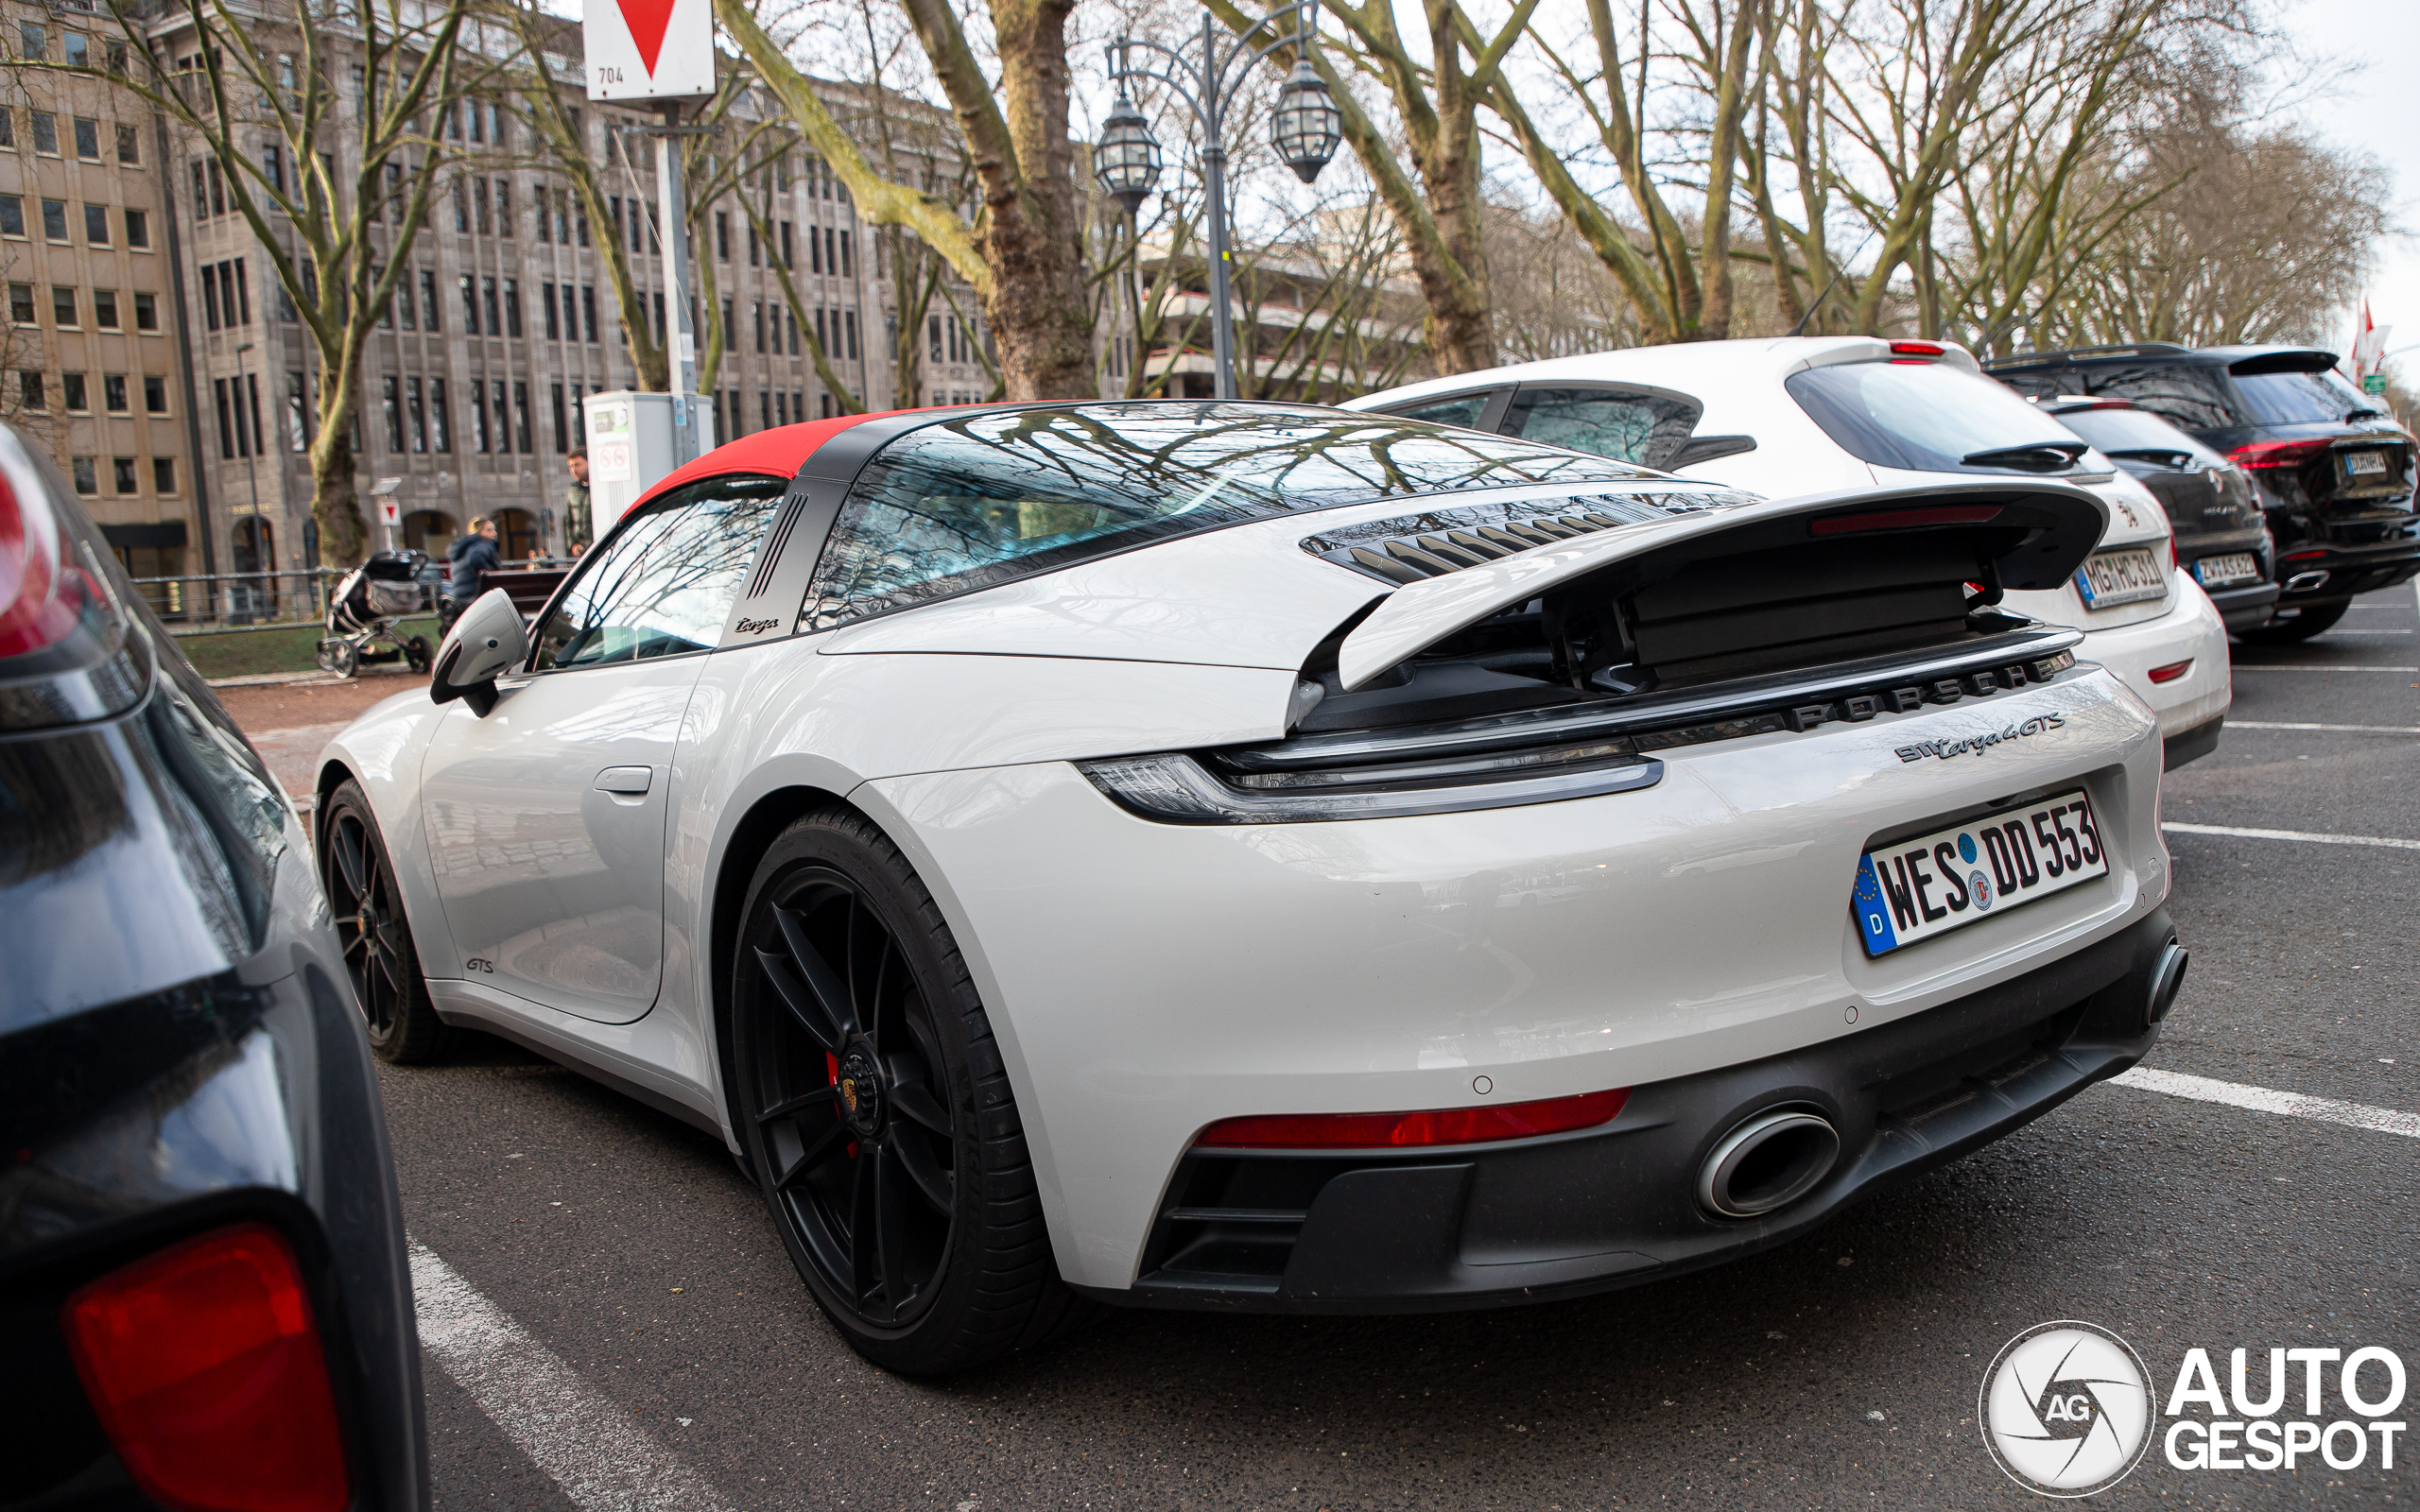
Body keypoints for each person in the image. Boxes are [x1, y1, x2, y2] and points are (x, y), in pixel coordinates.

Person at [442, 515, 500, 633]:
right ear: (478, 532)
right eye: (489, 529)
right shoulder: (484, 544)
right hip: (476, 595)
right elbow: (476, 558)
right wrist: (491, 572)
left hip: (460, 597)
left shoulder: (462, 547)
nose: (494, 533)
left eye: (494, 529)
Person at [563, 449, 593, 557]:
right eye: (570, 466)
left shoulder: (599, 488)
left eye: (577, 465)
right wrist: (572, 545)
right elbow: (568, 522)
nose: (574, 470)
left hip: (598, 546)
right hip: (580, 551)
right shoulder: (572, 491)